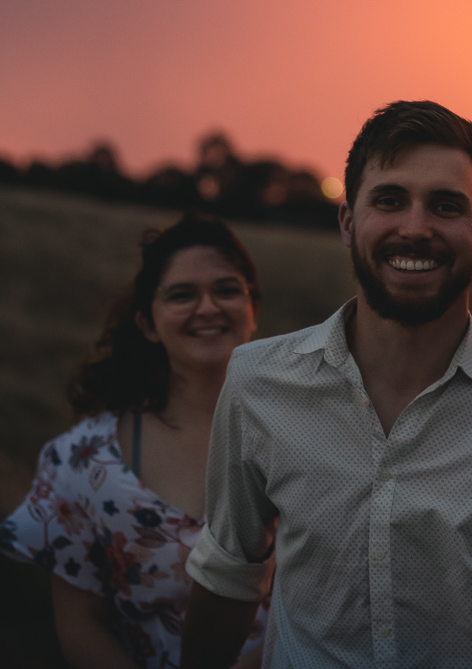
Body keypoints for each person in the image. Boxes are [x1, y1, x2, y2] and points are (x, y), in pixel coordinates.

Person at [181, 101, 472, 669]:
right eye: (390, 200)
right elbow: (229, 572)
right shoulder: (258, 382)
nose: (415, 228)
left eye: (446, 206)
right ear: (348, 222)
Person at [0, 214, 273, 669]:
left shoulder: (304, 439)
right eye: (182, 295)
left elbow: (328, 600)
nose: (207, 307)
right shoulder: (80, 461)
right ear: (148, 323)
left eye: (226, 289)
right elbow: (82, 623)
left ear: (252, 309)